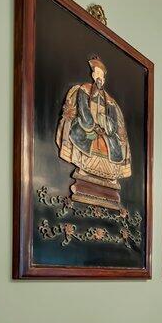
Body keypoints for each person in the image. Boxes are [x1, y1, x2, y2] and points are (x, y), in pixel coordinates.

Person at [55, 56, 131, 210]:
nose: (98, 77)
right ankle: (84, 170)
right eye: (96, 73)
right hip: (88, 125)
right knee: (86, 136)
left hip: (105, 130)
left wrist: (106, 129)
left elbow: (114, 121)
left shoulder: (109, 100)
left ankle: (108, 179)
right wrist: (91, 125)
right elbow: (83, 109)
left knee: (112, 144)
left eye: (101, 74)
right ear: (93, 74)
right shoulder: (84, 90)